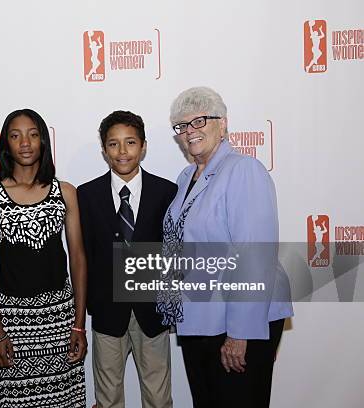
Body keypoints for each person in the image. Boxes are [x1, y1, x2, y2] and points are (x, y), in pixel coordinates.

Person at [159, 86, 293, 408]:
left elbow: (254, 255)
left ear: (223, 123)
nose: (190, 132)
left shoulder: (243, 170)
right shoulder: (185, 176)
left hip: (236, 322)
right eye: (182, 126)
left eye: (199, 121)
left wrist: (239, 333)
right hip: (199, 318)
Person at [0, 108, 87, 408]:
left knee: (61, 399)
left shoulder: (65, 192)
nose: (25, 142)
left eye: (33, 134)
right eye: (16, 136)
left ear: (43, 142)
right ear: (6, 145)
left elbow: (77, 258)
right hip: (11, 320)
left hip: (59, 318)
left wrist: (78, 324)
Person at [77, 111, 177, 408]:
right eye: (113, 144)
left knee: (159, 397)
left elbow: (172, 253)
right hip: (107, 314)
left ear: (143, 146)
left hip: (152, 313)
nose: (122, 152)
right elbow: (86, 254)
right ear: (104, 150)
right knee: (107, 398)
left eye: (130, 143)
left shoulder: (166, 192)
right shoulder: (87, 195)